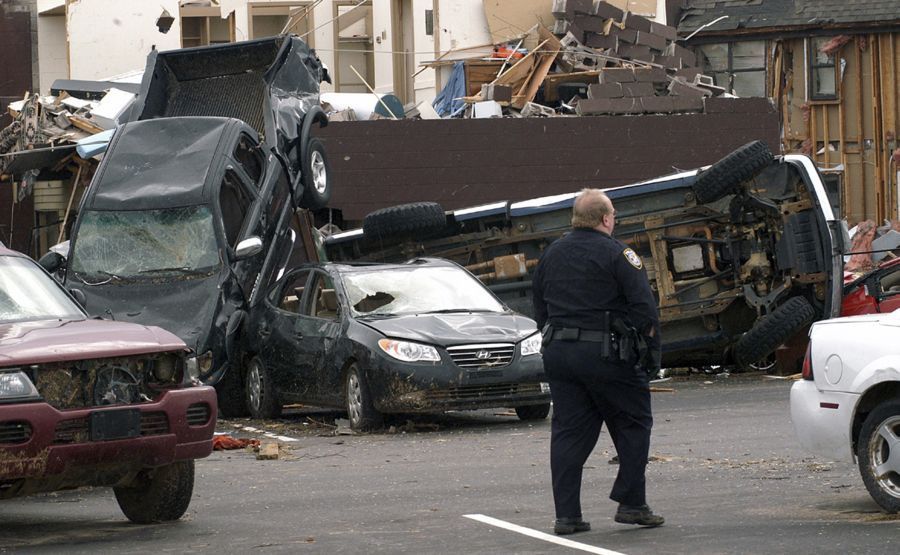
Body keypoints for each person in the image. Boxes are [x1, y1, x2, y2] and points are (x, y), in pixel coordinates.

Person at [532, 188, 664, 535]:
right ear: (607, 219)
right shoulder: (619, 254)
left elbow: (540, 309)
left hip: (560, 355)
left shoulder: (551, 254)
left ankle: (567, 517)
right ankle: (632, 503)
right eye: (614, 216)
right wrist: (648, 354)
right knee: (634, 423)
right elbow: (644, 310)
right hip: (607, 356)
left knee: (568, 434)